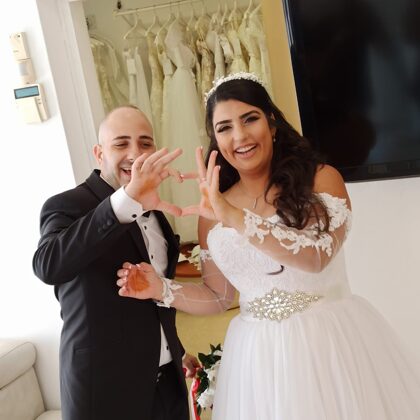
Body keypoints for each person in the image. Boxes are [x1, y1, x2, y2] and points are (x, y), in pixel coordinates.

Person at [116, 74, 420, 419]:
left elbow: (316, 257)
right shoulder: (213, 211)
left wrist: (232, 215)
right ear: (215, 139)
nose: (240, 136)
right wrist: (160, 289)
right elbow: (219, 297)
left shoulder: (320, 179)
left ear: (272, 123)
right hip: (258, 359)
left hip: (329, 343)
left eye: (250, 119)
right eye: (225, 128)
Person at [33, 105, 199, 420]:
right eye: (121, 143)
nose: (135, 154)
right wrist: (125, 201)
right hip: (105, 392)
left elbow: (155, 298)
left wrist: (174, 350)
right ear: (99, 154)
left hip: (166, 387)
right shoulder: (67, 205)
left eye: (145, 143)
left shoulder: (156, 211)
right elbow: (48, 265)